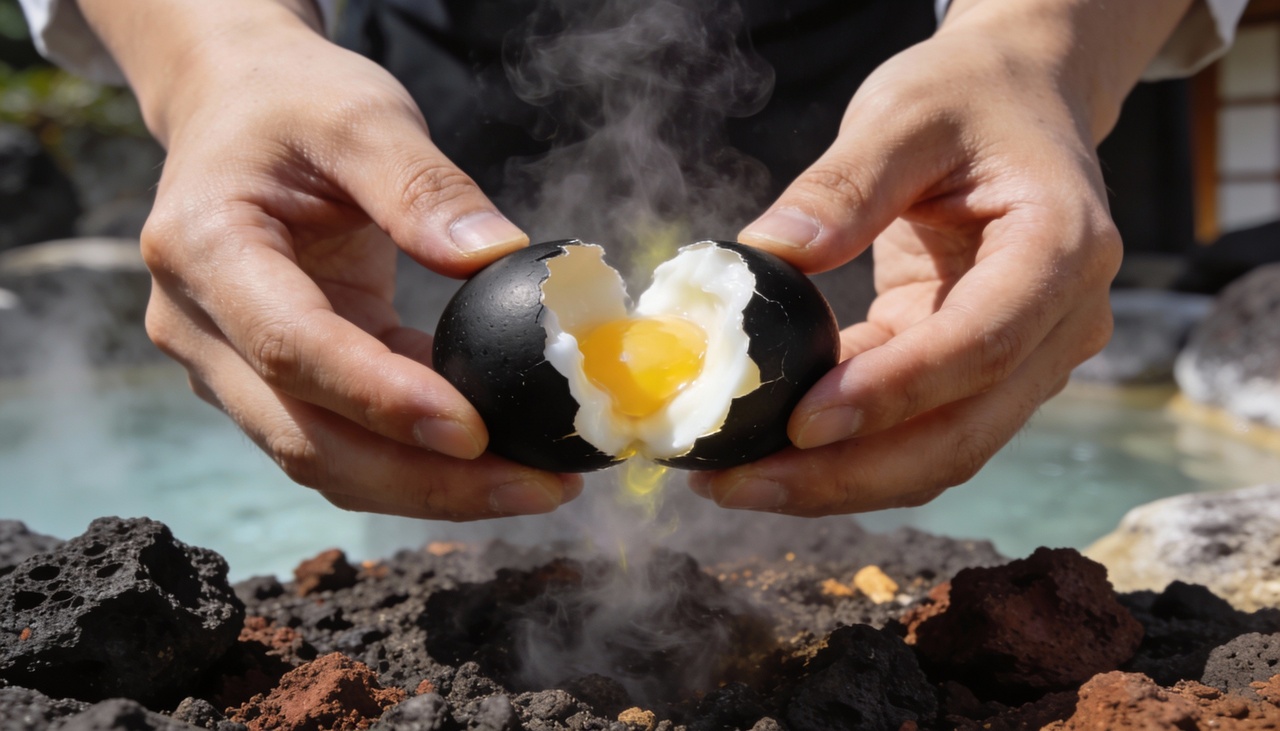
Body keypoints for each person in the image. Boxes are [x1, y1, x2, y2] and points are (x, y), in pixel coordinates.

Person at [20, 0, 1246, 520]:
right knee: (434, 462)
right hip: (405, 111)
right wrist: (218, 58)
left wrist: (1040, 44)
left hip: (895, 104)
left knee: (856, 455)